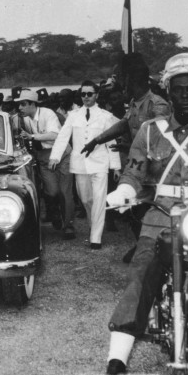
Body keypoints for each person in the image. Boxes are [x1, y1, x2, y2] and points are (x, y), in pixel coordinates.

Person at [101, 53, 188, 375]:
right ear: (168, 91)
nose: (186, 95)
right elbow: (134, 172)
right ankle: (117, 360)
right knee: (141, 273)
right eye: (179, 89)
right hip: (161, 216)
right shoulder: (150, 132)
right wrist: (123, 191)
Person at [81, 55, 171, 263]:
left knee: (151, 212)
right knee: (134, 210)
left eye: (125, 82)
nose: (122, 88)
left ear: (133, 82)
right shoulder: (134, 103)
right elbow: (123, 124)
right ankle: (143, 246)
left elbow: (160, 142)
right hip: (138, 170)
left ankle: (153, 251)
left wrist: (130, 146)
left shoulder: (158, 106)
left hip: (155, 172)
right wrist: (97, 139)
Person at [49, 80, 121, 249]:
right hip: (80, 164)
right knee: (86, 199)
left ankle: (96, 237)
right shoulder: (73, 115)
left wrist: (116, 166)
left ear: (96, 95)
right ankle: (93, 222)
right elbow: (63, 136)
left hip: (100, 163)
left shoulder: (105, 116)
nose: (86, 97)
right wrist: (55, 157)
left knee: (99, 199)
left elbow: (112, 141)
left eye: (89, 94)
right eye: (83, 94)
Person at [16, 90, 75, 240]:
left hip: (61, 154)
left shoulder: (48, 114)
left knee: (65, 191)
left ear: (32, 104)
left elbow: (55, 135)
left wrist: (32, 136)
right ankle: (54, 211)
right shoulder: (26, 119)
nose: (20, 108)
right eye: (19, 105)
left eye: (23, 104)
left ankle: (68, 226)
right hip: (44, 157)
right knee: (52, 191)